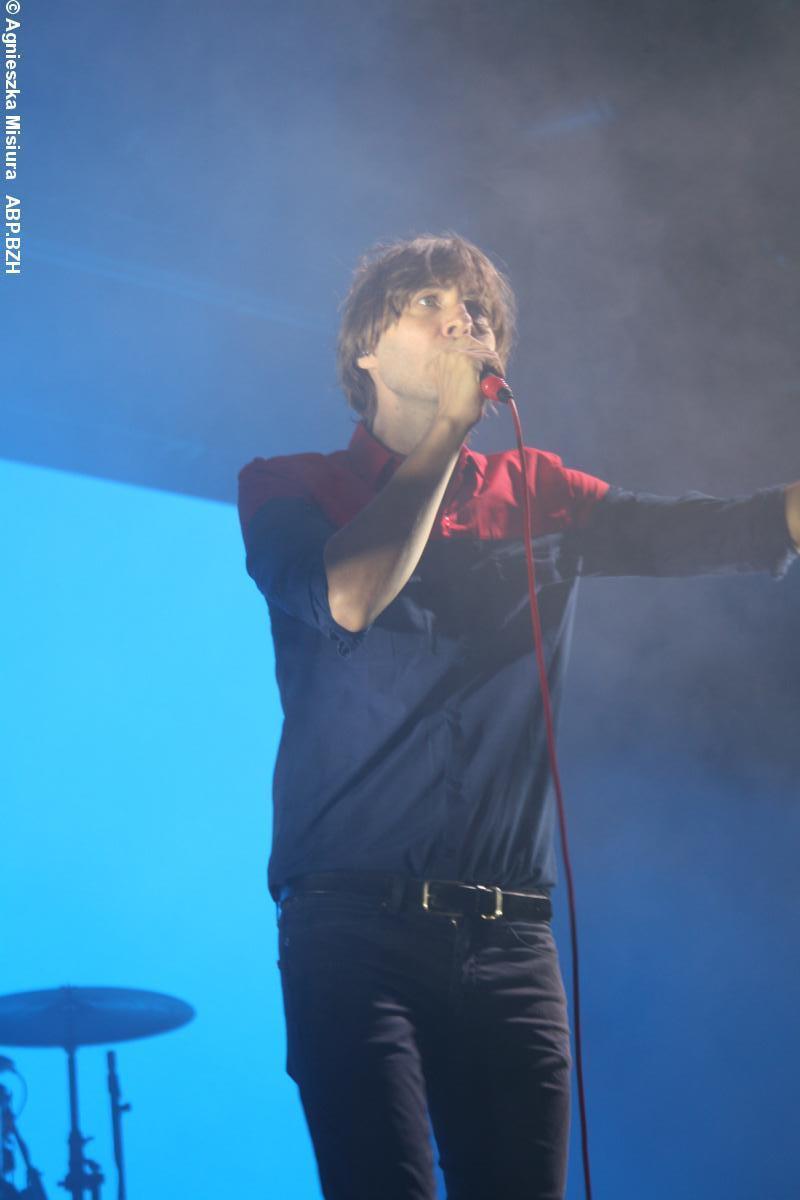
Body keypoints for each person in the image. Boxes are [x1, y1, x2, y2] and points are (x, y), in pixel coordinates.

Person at [237, 234, 799, 1200]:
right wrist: (450, 432)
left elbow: (718, 527)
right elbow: (350, 597)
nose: (463, 316)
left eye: (476, 307)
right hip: (352, 932)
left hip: (510, 944)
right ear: (364, 349)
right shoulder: (290, 486)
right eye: (428, 301)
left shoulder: (538, 493)